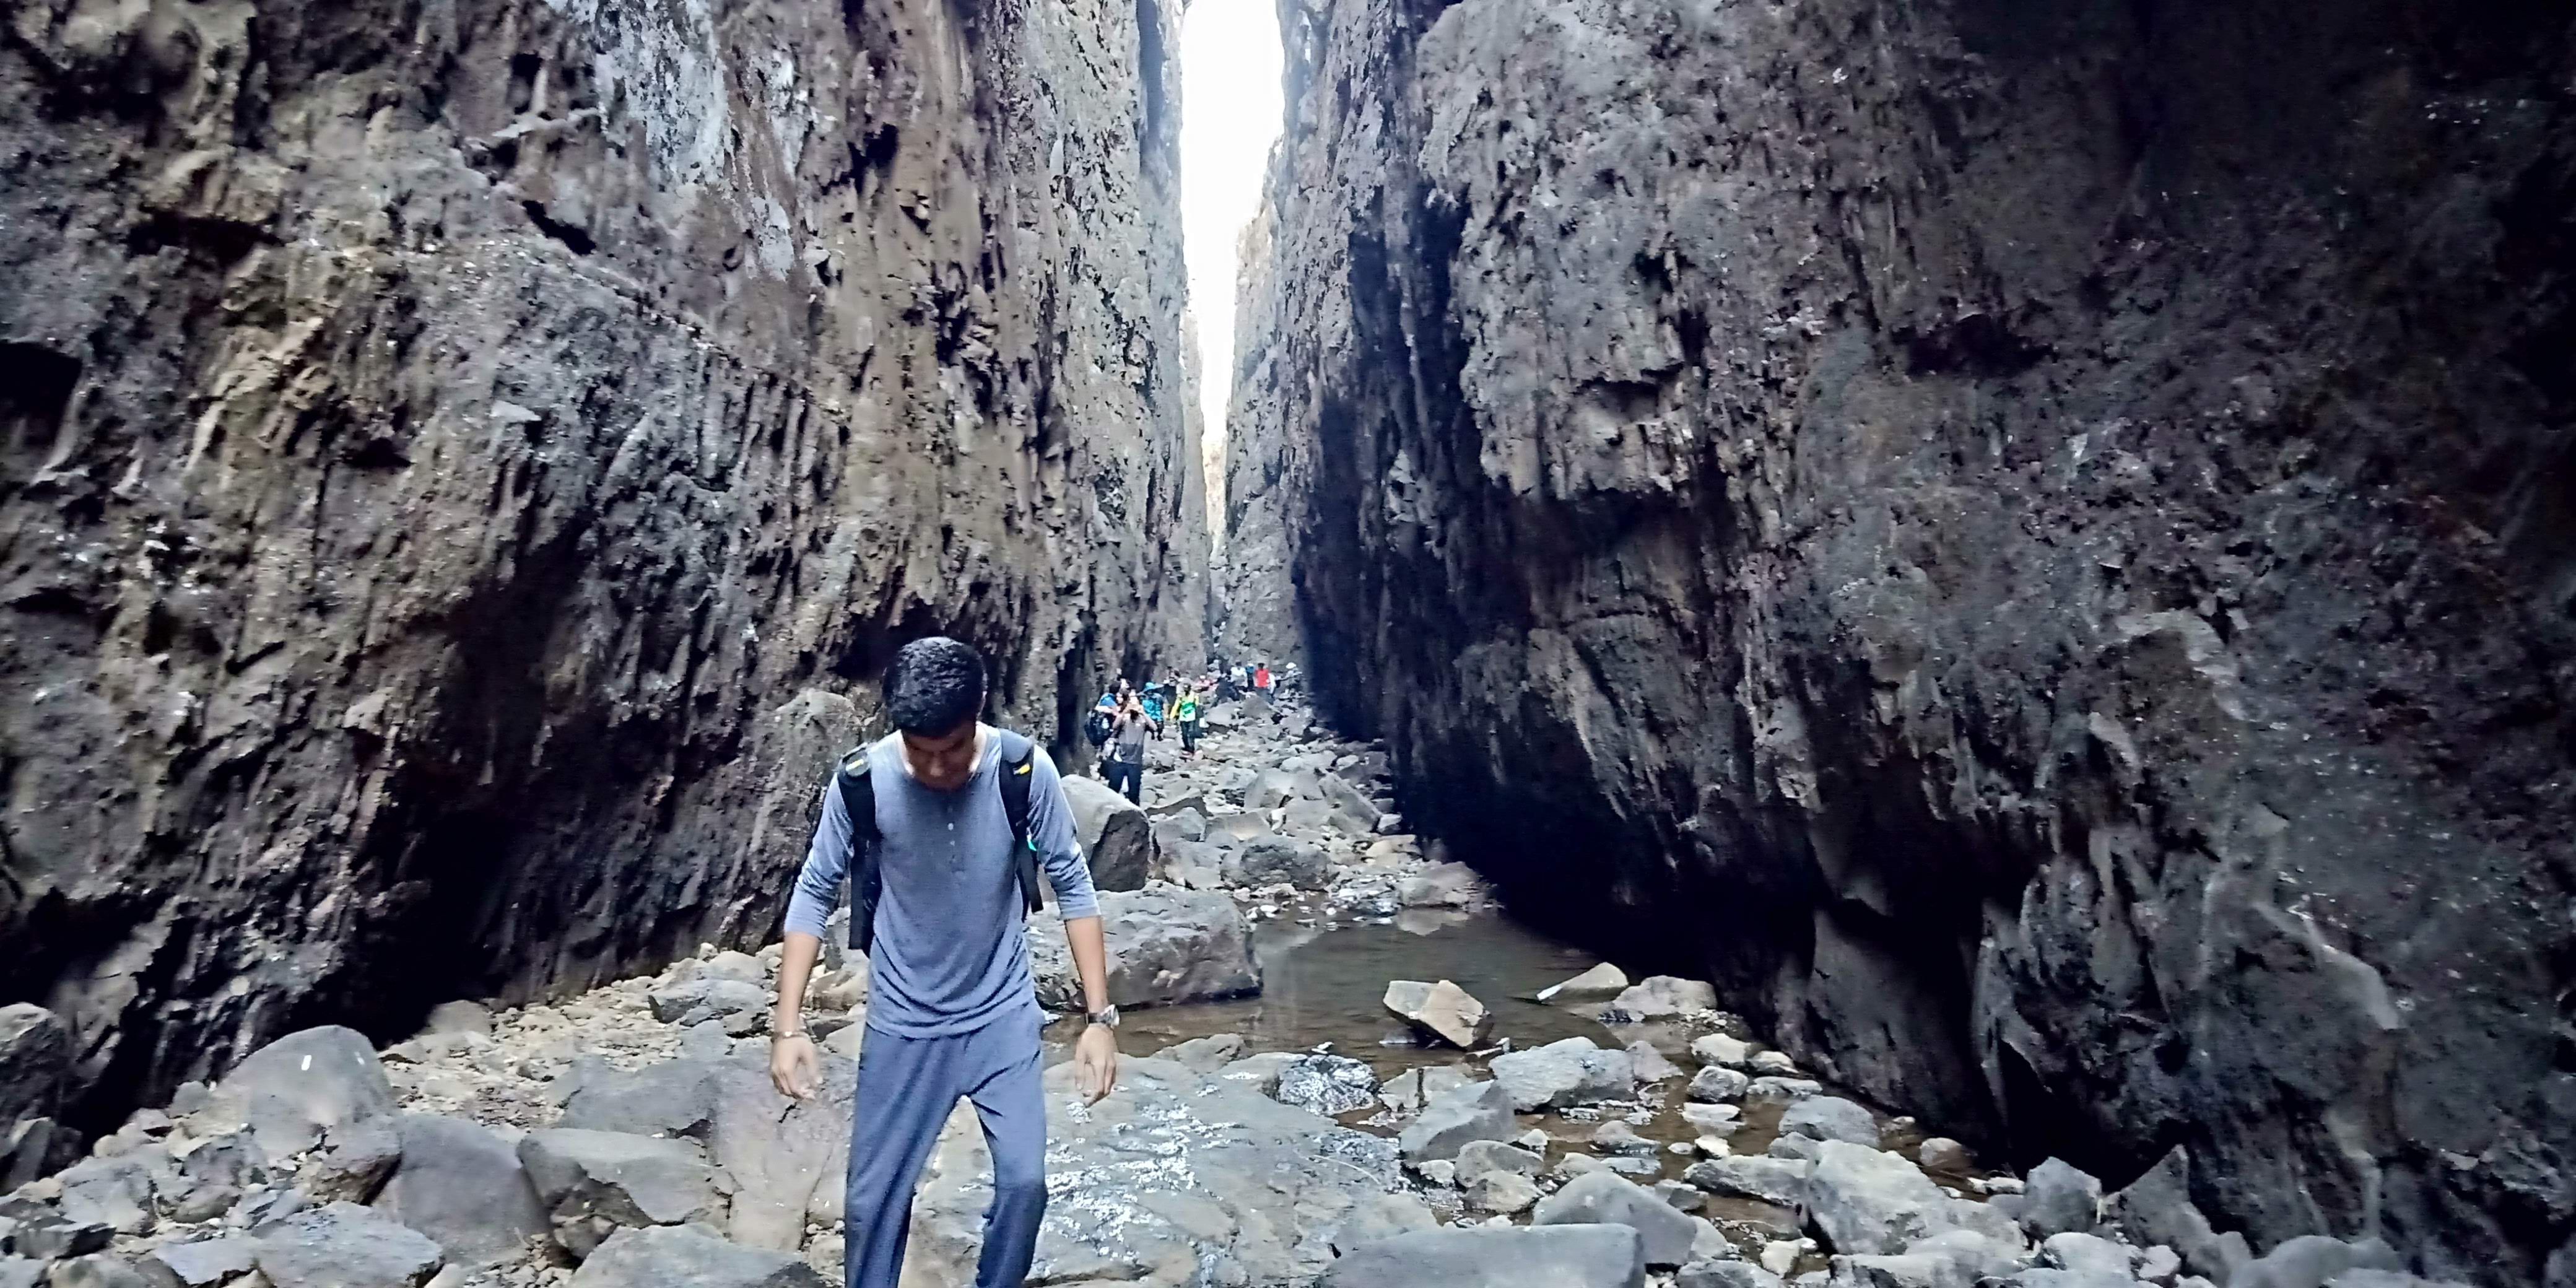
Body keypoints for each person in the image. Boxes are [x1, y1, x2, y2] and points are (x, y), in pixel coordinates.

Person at [769, 637, 1120, 1288]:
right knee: (871, 1205)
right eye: (919, 750)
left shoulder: (1023, 770)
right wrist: (787, 1028)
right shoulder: (861, 782)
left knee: (1025, 1184)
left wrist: (1099, 1020)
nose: (936, 768)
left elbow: (1074, 884)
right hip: (903, 1024)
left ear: (979, 710)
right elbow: (814, 892)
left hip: (1001, 1017)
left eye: (952, 749)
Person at [1102, 690, 1155, 803]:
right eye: (1131, 703)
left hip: (1136, 760)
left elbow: (1154, 727)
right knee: (1114, 788)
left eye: (1136, 704)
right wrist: (1125, 711)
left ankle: (1134, 810)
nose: (1133, 706)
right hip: (1120, 759)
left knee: (1134, 792)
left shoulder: (1143, 720)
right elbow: (1114, 726)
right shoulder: (1124, 718)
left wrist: (1143, 713)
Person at [1174, 681, 1203, 757]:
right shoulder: (1181, 696)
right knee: (1184, 734)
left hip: (1191, 717)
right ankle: (1187, 747)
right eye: (1185, 689)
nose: (1186, 690)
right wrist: (1173, 715)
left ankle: (1191, 748)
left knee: (1191, 733)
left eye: (1187, 689)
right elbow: (1177, 705)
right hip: (1183, 717)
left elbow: (1197, 704)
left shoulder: (1194, 695)